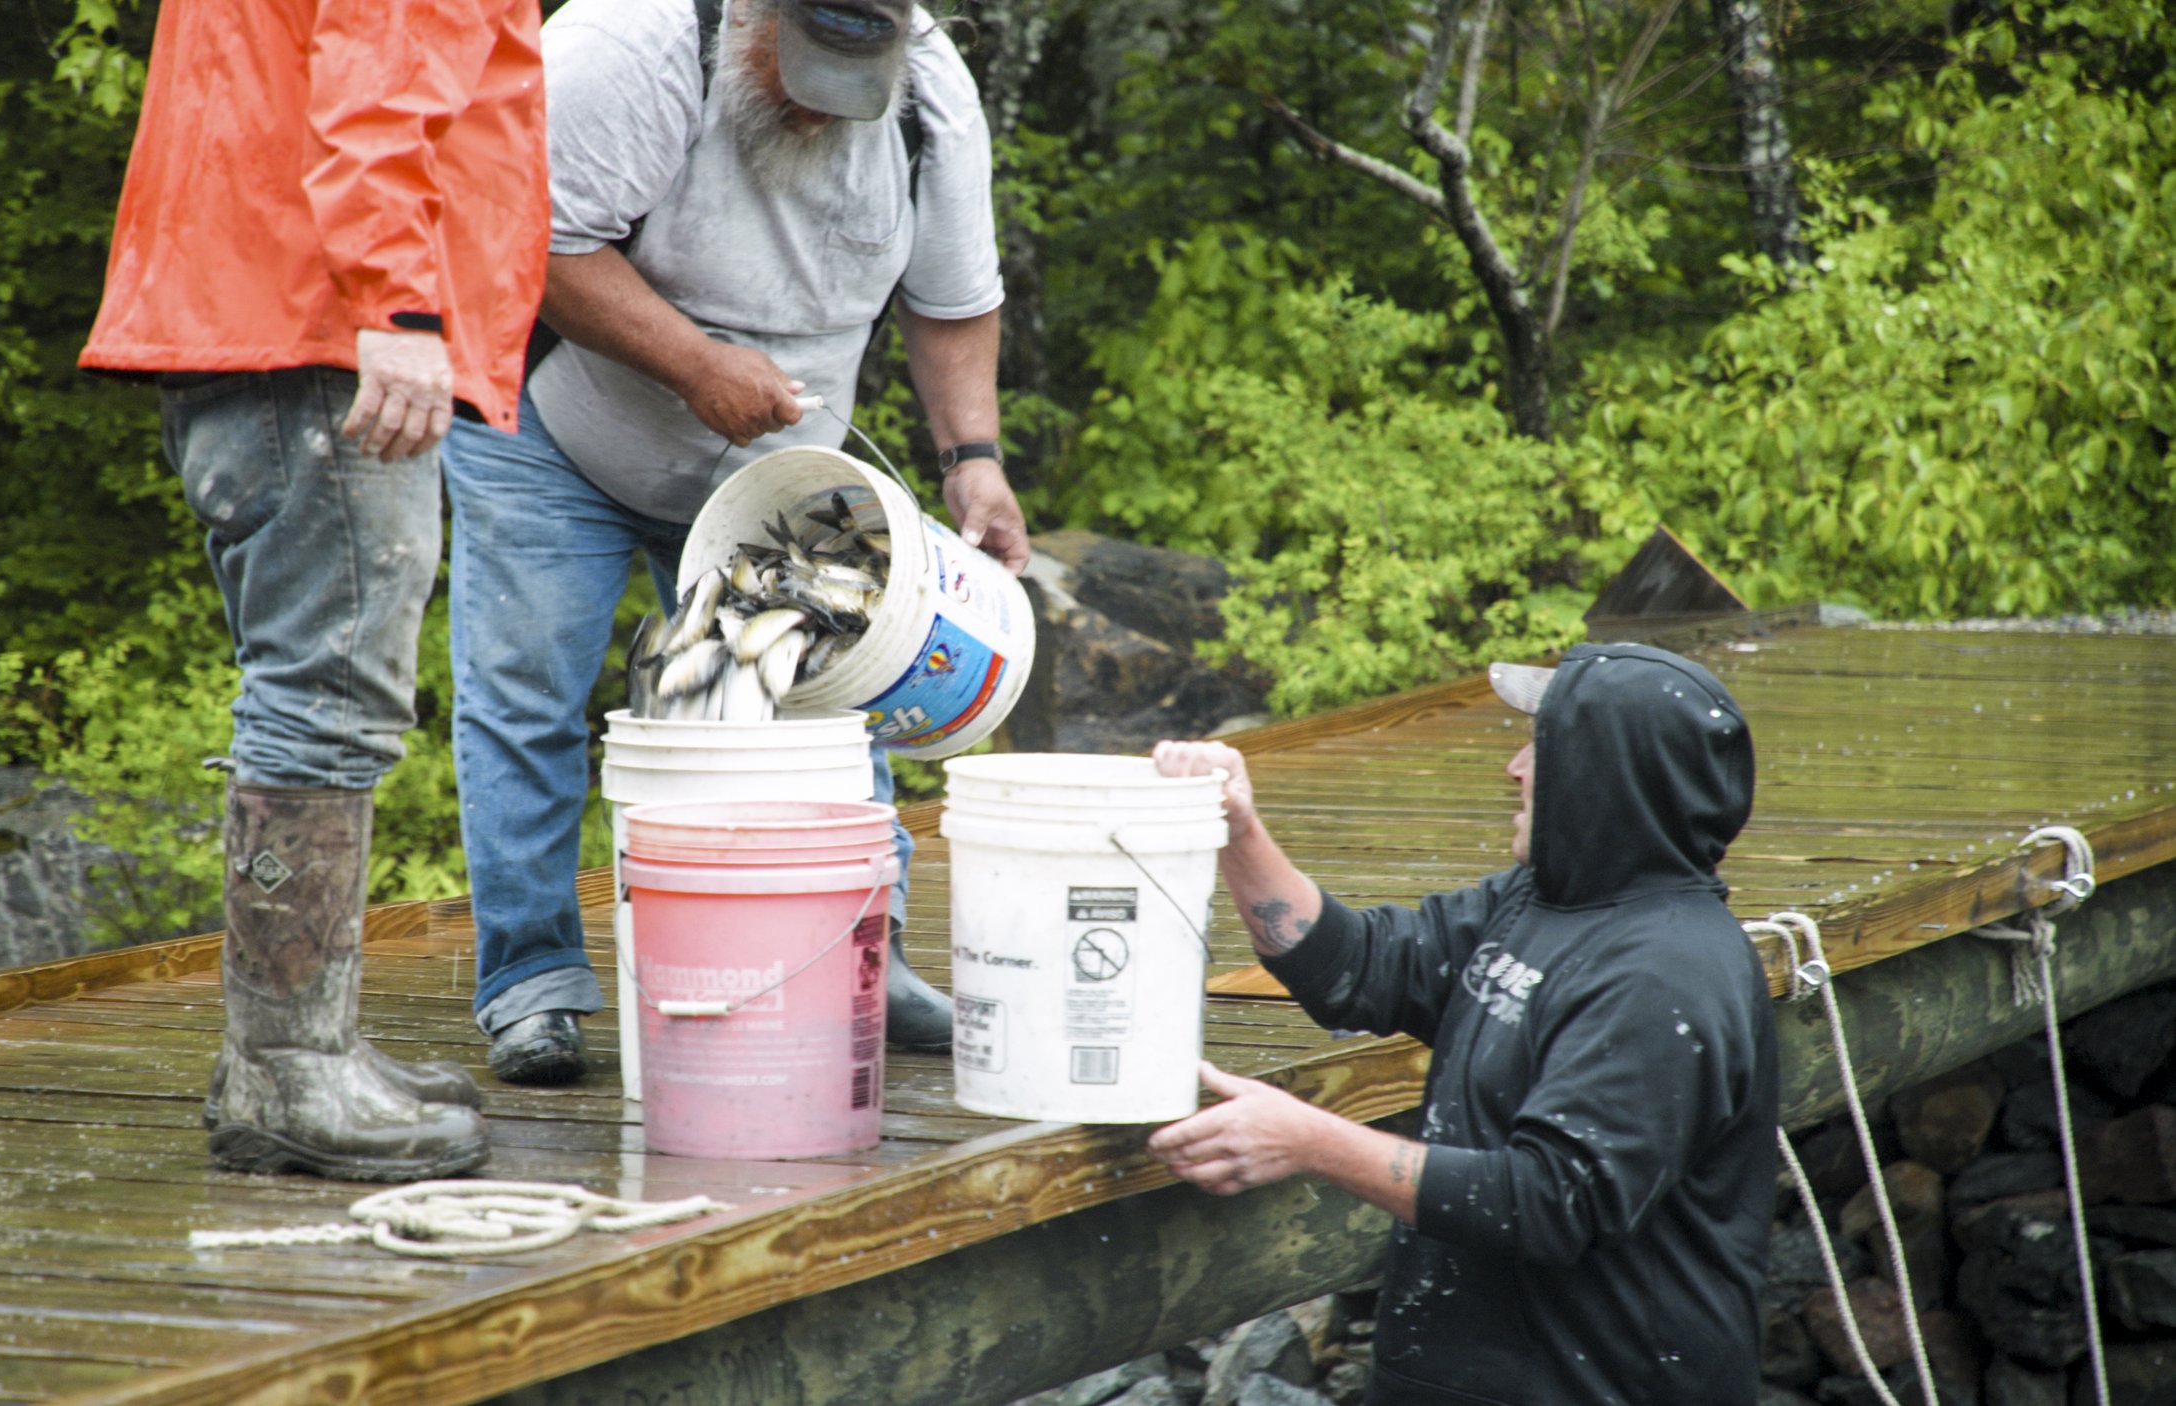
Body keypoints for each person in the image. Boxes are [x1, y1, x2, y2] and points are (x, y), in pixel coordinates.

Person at [446, 0, 1030, 1084]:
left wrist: (972, 457)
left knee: (821, 690)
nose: (822, 111)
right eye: (803, 72)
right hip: (554, 430)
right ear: (753, 19)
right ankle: (530, 984)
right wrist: (696, 366)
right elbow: (527, 242)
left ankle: (865, 954)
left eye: (855, 82)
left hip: (777, 471)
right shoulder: (625, 50)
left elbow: (953, 301)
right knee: (526, 697)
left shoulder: (933, 100)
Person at [80, 0, 551, 1179]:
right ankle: (290, 1069)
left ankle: (292, 1051)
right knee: (325, 691)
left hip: (255, 303)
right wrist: (397, 304)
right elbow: (381, 86)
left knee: (311, 681)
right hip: (318, 324)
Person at [1149, 643, 1779, 1405]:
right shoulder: (1540, 897)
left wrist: (1308, 1139)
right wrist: (1239, 831)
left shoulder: (1669, 974)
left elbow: (1552, 1200)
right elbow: (1360, 969)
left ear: (1606, 779)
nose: (1512, 768)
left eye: (1539, 747)